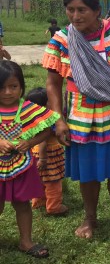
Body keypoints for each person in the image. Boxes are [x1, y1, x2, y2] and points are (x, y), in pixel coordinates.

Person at [43, 0, 110, 239]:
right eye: (70, 10)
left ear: (97, 10)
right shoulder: (62, 40)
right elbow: (53, 83)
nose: (76, 16)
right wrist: (58, 120)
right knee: (88, 171)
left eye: (82, 10)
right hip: (81, 115)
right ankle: (90, 218)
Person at [0, 61, 60, 258]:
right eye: (2, 87)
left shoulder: (28, 109)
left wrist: (30, 142)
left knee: (22, 203)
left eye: (13, 86)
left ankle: (26, 241)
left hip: (22, 167)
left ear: (22, 86)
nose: (8, 92)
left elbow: (46, 129)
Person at [26, 87, 68, 216]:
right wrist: (43, 159)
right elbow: (42, 141)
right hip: (48, 156)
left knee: (40, 180)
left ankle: (37, 201)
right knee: (53, 182)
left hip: (36, 155)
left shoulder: (33, 120)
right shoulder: (46, 121)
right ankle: (54, 207)